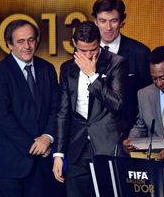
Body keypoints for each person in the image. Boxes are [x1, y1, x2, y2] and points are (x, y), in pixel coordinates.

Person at [0, 20, 59, 197]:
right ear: (9, 44)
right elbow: (3, 117)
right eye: (20, 41)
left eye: (31, 40)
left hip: (40, 166)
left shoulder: (47, 69)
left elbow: (57, 108)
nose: (27, 46)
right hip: (7, 165)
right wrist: (36, 146)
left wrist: (47, 138)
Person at [52, 21, 128, 197]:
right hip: (76, 147)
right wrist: (59, 154)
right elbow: (63, 113)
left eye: (92, 50)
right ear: (74, 44)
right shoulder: (67, 68)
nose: (87, 55)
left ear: (99, 42)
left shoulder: (116, 63)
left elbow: (117, 104)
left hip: (105, 146)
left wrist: (93, 76)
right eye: (82, 50)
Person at [92, 0, 152, 134]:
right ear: (95, 21)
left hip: (127, 133)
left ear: (122, 22)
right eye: (103, 21)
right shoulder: (85, 51)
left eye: (114, 21)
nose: (108, 27)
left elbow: (148, 98)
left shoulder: (140, 52)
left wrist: (136, 132)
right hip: (91, 134)